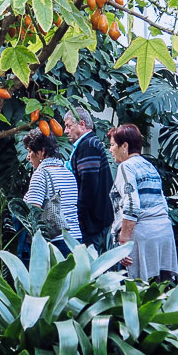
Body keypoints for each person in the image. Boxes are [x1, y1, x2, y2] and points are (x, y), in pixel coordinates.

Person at [107, 124, 175, 281]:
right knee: (159, 294)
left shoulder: (126, 167)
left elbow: (131, 204)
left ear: (124, 146)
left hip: (141, 238)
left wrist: (124, 243)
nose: (110, 150)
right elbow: (163, 202)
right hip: (163, 236)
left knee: (135, 296)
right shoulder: (149, 166)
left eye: (112, 145)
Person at [62, 106, 114, 252]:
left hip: (92, 221)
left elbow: (89, 185)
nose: (66, 131)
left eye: (69, 126)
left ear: (82, 124)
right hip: (94, 218)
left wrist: (80, 215)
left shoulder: (88, 145)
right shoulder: (88, 144)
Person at [22, 130, 81, 255]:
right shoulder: (68, 173)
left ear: (42, 152)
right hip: (75, 240)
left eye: (30, 151)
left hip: (54, 242)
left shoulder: (41, 174)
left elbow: (33, 211)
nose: (28, 157)